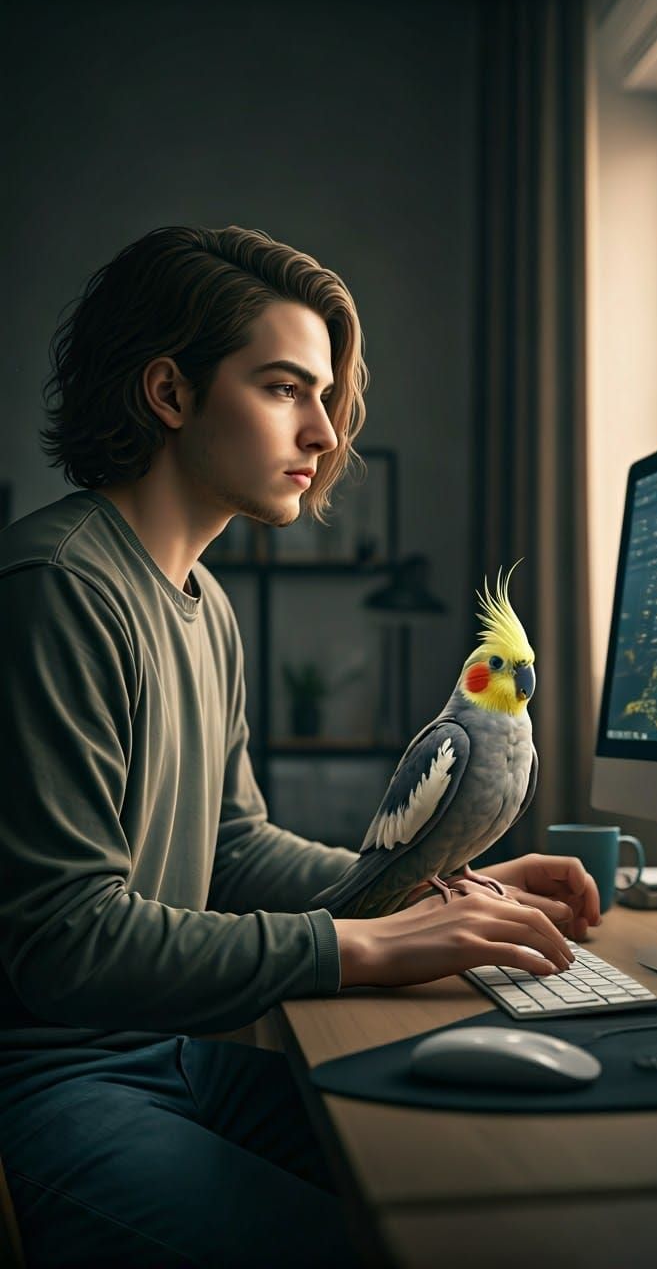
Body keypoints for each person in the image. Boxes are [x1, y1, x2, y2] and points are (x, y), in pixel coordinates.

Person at [0, 224, 600, 1267]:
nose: (325, 432)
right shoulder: (60, 590)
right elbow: (64, 940)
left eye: (325, 394)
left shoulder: (204, 602)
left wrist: (433, 886)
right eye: (285, 389)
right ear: (170, 394)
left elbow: (232, 852)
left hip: (170, 1053)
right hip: (46, 1080)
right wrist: (358, 945)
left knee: (492, 1187)